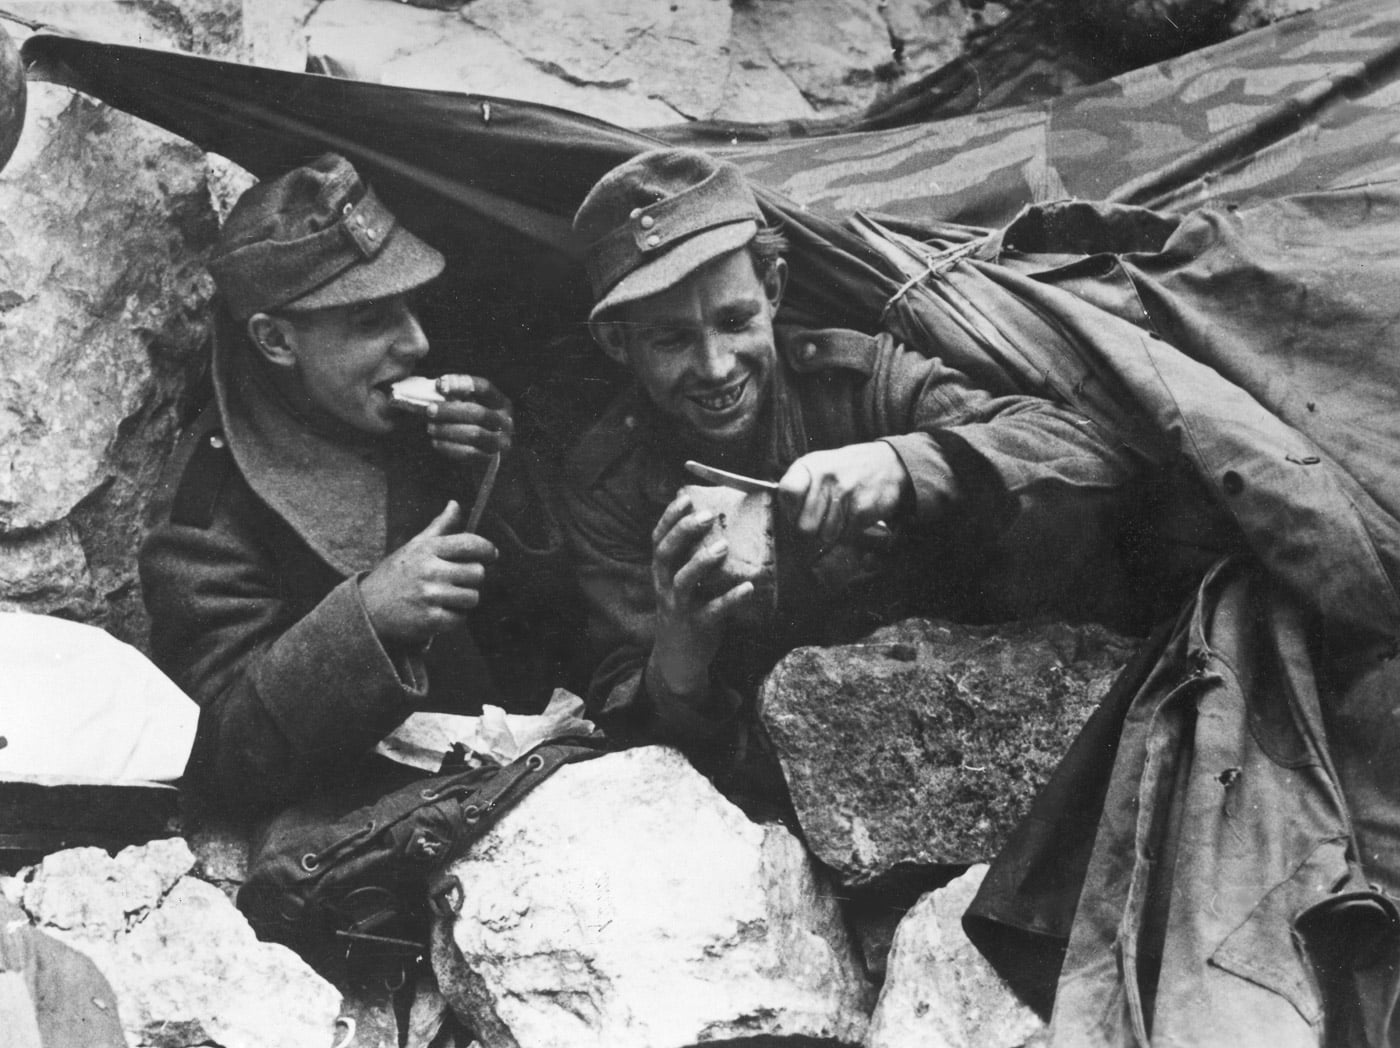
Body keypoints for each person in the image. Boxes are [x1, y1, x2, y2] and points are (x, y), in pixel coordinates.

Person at [560, 147, 1175, 787]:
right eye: (670, 339)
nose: (716, 367)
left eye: (734, 320)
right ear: (616, 344)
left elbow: (1086, 442)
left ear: (772, 291)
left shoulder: (855, 383)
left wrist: (899, 466)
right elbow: (632, 736)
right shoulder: (608, 482)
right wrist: (678, 657)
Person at [139, 153, 576, 816]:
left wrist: (498, 468)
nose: (419, 342)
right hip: (379, 820)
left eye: (408, 305)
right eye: (371, 321)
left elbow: (554, 631)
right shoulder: (211, 508)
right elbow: (223, 755)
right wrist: (367, 619)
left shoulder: (387, 408)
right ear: (277, 341)